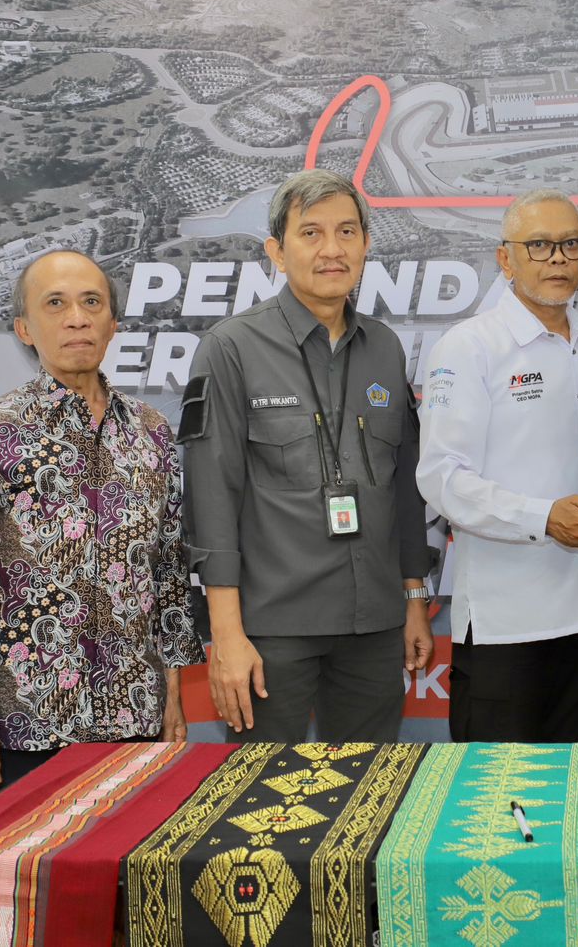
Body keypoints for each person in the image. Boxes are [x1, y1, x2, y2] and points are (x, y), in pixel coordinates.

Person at [0, 249, 204, 805]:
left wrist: (172, 690)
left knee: (129, 863)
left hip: (135, 718)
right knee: (20, 865)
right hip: (22, 727)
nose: (77, 318)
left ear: (113, 323)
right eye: (55, 304)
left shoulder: (151, 432)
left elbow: (169, 575)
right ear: (24, 329)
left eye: (91, 302)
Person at [180, 170, 432, 743]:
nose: (332, 249)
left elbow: (404, 488)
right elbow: (211, 497)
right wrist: (227, 635)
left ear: (366, 245)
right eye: (311, 233)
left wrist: (413, 598)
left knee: (368, 783)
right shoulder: (230, 348)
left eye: (347, 232)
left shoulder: (385, 347)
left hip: (374, 626)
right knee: (265, 789)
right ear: (277, 251)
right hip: (273, 630)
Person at [415, 189, 578, 741]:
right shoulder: (469, 348)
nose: (557, 258)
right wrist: (543, 518)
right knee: (497, 789)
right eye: (539, 245)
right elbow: (441, 477)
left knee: (577, 781)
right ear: (505, 259)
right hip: (505, 628)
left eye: (571, 244)